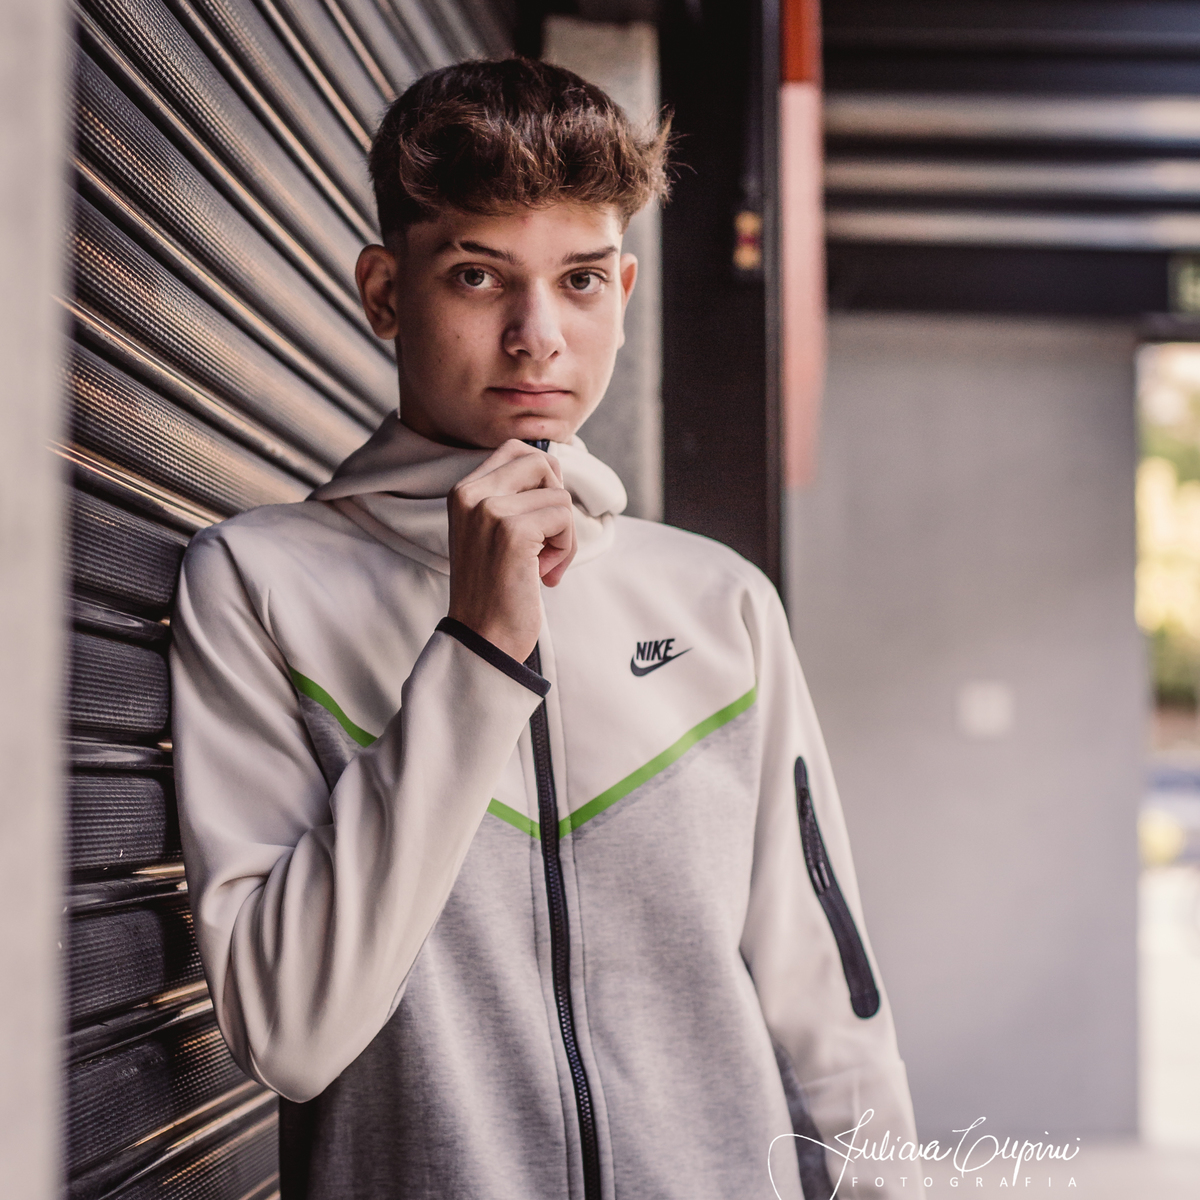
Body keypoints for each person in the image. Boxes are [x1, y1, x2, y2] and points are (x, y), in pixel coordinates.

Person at [171, 57, 920, 1200]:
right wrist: (475, 653)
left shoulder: (719, 606)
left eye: (579, 281)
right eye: (478, 276)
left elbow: (831, 1018)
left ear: (624, 291)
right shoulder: (259, 588)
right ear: (384, 292)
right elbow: (291, 1032)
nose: (537, 337)